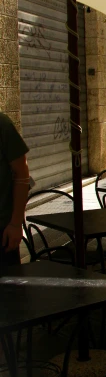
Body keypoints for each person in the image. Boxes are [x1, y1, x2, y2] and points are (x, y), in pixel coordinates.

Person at [0, 111, 30, 271]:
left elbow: (22, 173)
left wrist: (15, 223)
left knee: (8, 292)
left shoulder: (2, 124)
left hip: (3, 230)